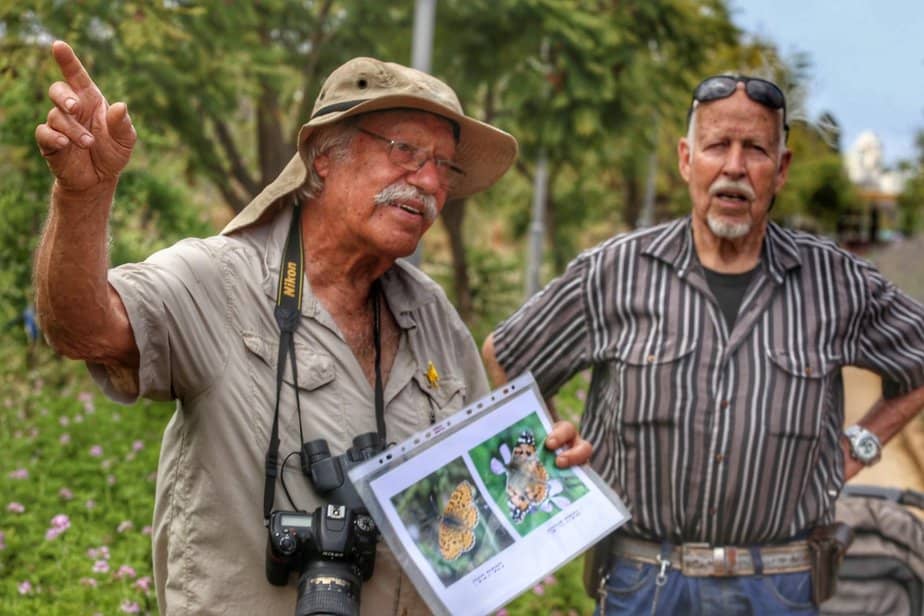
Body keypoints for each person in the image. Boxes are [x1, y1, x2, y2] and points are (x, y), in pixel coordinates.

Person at [34, 41, 591, 615]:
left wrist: (539, 467)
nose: (428, 182)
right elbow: (83, 329)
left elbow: (475, 507)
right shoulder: (222, 279)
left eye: (443, 165)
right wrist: (84, 194)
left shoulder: (434, 317)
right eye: (405, 151)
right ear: (325, 155)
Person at [483, 74, 924, 614]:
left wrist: (860, 446)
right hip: (643, 583)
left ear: (780, 169)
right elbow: (508, 357)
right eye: (718, 145)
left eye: (756, 149)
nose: (734, 167)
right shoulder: (614, 273)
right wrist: (553, 471)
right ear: (687, 159)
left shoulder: (836, 283)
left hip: (780, 585)